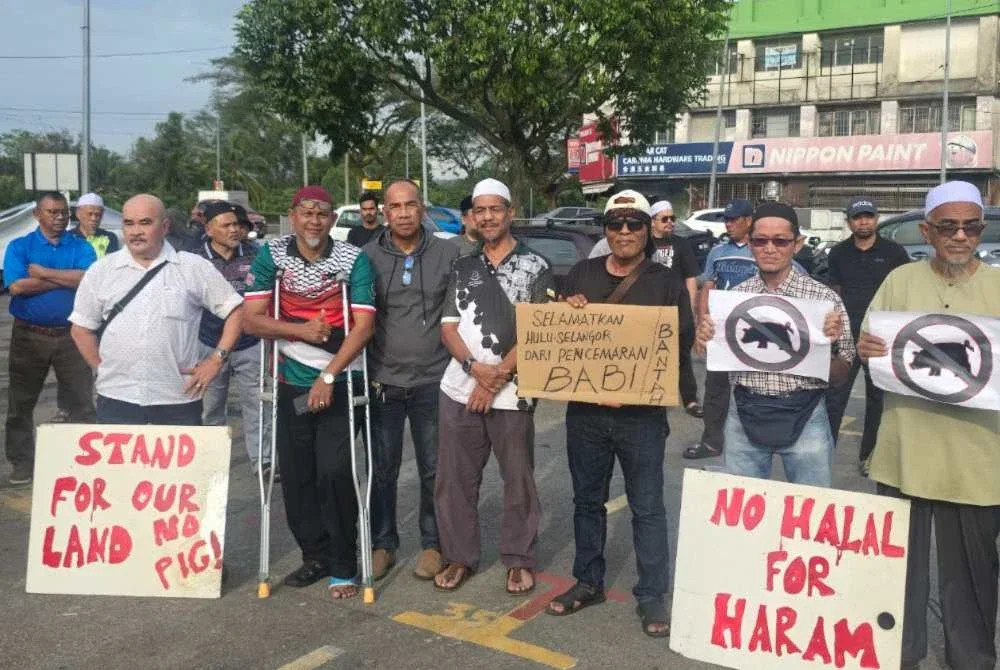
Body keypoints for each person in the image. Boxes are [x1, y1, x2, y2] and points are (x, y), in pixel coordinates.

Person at [857, 181, 1000, 670]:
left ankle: (973, 660)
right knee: (897, 572)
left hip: (978, 462)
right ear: (927, 230)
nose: (960, 236)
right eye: (948, 227)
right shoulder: (900, 280)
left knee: (974, 579)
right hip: (906, 452)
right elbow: (868, 340)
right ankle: (899, 653)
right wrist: (866, 349)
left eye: (971, 226)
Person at [546, 190, 694, 638]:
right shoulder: (582, 273)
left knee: (648, 506)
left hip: (641, 416)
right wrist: (563, 311)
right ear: (605, 230)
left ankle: (652, 594)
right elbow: (557, 337)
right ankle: (587, 581)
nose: (624, 232)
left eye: (634, 223)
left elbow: (680, 342)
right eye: (615, 224)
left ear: (648, 230)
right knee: (586, 501)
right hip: (586, 414)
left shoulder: (664, 280)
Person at [242, 185, 376, 600]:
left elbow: (365, 327)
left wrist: (330, 377)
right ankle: (314, 555)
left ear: (333, 219)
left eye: (322, 214)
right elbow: (251, 320)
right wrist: (300, 329)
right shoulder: (272, 256)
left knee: (333, 472)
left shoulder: (353, 259)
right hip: (289, 382)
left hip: (339, 378)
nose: (314, 220)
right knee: (298, 475)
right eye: (307, 213)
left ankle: (343, 562)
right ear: (293, 215)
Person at [433, 178, 555, 595]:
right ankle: (459, 557)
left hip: (513, 391)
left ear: (510, 211)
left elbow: (538, 330)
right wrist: (472, 367)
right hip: (459, 386)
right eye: (479, 210)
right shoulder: (463, 266)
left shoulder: (536, 266)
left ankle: (518, 559)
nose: (487, 217)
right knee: (454, 480)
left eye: (495, 209)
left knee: (517, 479)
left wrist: (495, 377)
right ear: (473, 216)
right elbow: (448, 327)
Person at [695, 202, 854, 487]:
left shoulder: (823, 300)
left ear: (797, 244)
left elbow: (843, 374)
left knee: (810, 516)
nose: (770, 248)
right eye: (760, 240)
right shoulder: (734, 300)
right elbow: (712, 357)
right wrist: (706, 337)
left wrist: (827, 347)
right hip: (744, 412)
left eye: (780, 241)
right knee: (742, 516)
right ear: (751, 243)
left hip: (806, 415)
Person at [69, 194, 244, 426]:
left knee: (181, 465)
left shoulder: (192, 267)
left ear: (165, 227)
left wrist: (216, 360)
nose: (135, 231)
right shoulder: (102, 271)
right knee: (121, 465)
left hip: (178, 397)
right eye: (129, 223)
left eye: (145, 222)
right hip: (117, 398)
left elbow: (237, 311)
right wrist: (101, 369)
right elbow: (81, 328)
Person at [363, 179, 459, 582]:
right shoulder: (365, 256)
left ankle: (433, 543)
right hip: (383, 380)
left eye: (410, 205)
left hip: (433, 379)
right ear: (384, 212)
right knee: (382, 469)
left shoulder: (449, 253)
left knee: (433, 469)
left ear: (423, 209)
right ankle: (383, 543)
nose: (403, 213)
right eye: (395, 206)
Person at [3, 192, 97, 485]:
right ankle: (22, 463)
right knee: (21, 403)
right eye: (52, 212)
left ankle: (83, 463)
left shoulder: (80, 246)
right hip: (30, 336)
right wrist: (66, 277)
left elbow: (89, 278)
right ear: (37, 215)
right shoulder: (20, 246)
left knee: (81, 402)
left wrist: (43, 274)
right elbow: (17, 286)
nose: (59, 218)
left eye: (63, 213)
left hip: (72, 335)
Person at [824, 196, 909, 474]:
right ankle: (824, 452)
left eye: (868, 216)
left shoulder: (894, 252)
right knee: (835, 396)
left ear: (876, 219)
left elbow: (902, 291)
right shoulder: (837, 253)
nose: (864, 222)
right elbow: (833, 294)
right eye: (858, 217)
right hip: (847, 335)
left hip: (880, 337)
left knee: (878, 400)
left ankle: (869, 457)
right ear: (849, 222)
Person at [193, 201, 271, 477]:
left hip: (250, 343)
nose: (234, 230)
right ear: (209, 228)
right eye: (226, 225)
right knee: (210, 405)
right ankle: (210, 460)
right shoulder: (194, 259)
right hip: (208, 343)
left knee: (258, 402)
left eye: (237, 224)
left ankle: (263, 460)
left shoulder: (256, 254)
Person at [684, 198, 757, 460]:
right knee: (716, 391)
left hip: (752, 333)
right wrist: (701, 322)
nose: (728, 223)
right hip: (721, 334)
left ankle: (752, 445)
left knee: (751, 391)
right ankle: (712, 442)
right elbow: (708, 287)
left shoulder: (761, 251)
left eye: (734, 219)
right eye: (726, 219)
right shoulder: (718, 252)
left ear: (749, 221)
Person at [70, 192, 119, 258]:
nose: (94, 218)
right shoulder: (68, 237)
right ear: (78, 214)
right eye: (90, 214)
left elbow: (110, 264)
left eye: (98, 215)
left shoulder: (109, 237)